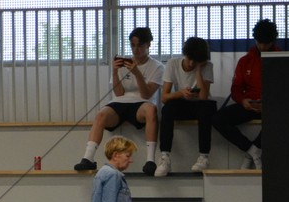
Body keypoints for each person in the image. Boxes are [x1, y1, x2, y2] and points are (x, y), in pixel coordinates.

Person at [74, 27, 162, 177]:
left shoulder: (157, 67)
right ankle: (88, 158)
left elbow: (146, 94)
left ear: (148, 45)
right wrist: (114, 71)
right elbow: (119, 93)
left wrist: (137, 73)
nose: (136, 50)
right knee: (101, 114)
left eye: (140, 45)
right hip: (121, 102)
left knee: (151, 110)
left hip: (141, 103)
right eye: (133, 45)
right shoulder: (123, 64)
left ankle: (150, 160)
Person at [213, 18, 276, 169]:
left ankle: (253, 152)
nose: (262, 47)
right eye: (259, 43)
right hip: (249, 105)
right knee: (217, 118)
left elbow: (287, 90)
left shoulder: (281, 59)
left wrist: (269, 103)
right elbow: (235, 89)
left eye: (266, 44)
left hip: (272, 107)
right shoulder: (245, 61)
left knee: (282, 116)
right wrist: (243, 101)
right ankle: (251, 149)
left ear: (273, 41)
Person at [155, 36, 217, 175]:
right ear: (185, 54)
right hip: (182, 103)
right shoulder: (173, 63)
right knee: (167, 109)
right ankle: (164, 157)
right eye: (189, 58)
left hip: (200, 105)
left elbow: (203, 96)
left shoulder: (207, 66)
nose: (191, 63)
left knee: (206, 109)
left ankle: (204, 157)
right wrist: (181, 93)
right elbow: (164, 97)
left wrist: (199, 70)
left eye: (196, 61)